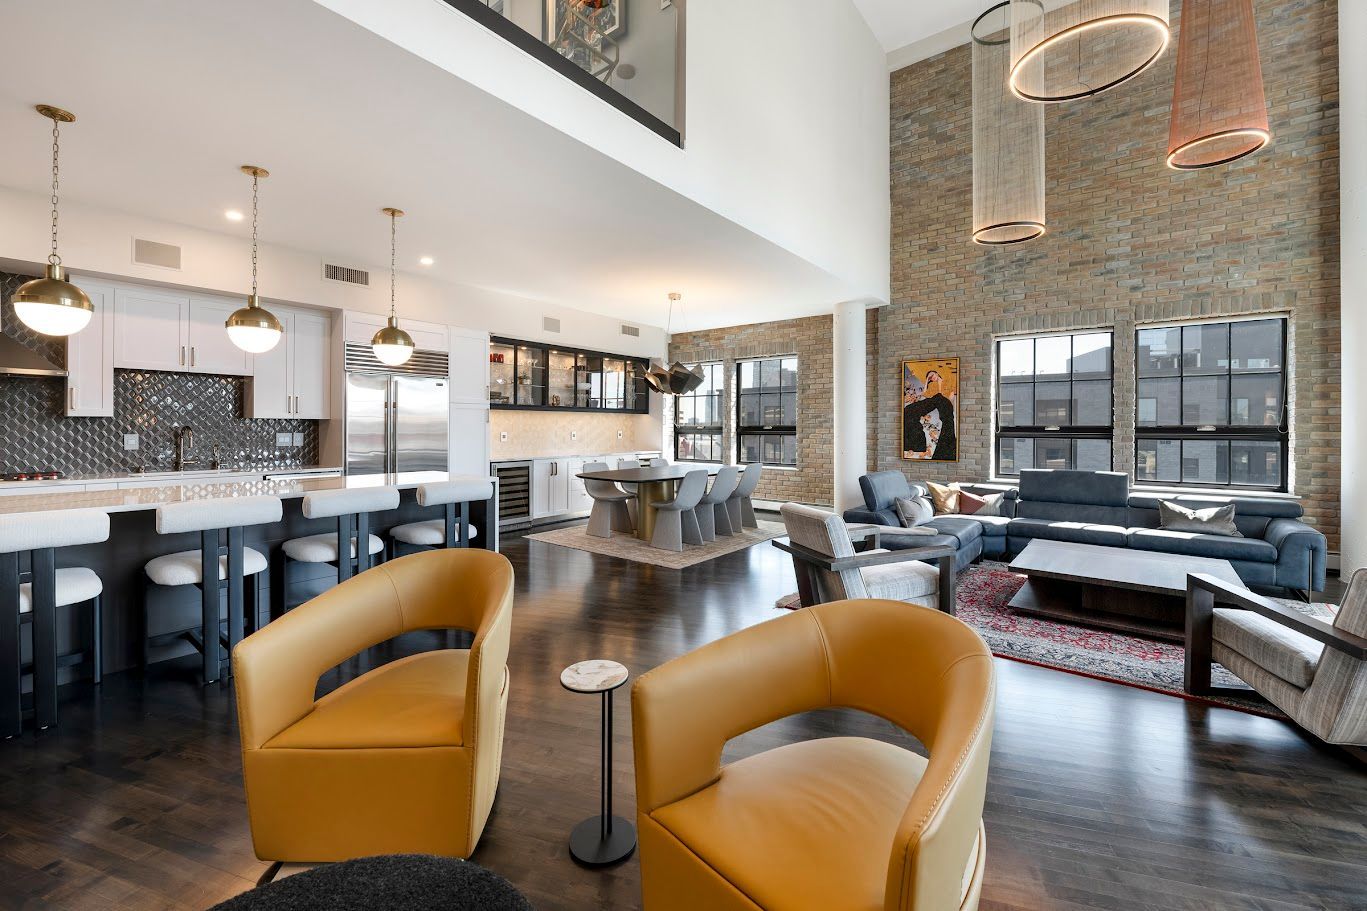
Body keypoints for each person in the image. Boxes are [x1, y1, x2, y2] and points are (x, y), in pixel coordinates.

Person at [903, 370, 957, 460]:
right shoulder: (931, 385)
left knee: (942, 402)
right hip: (933, 401)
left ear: (937, 373)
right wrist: (927, 381)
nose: (932, 377)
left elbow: (949, 399)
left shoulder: (947, 381)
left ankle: (945, 451)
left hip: (943, 401)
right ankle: (915, 444)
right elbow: (925, 393)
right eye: (930, 377)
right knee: (908, 410)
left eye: (932, 375)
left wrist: (941, 388)